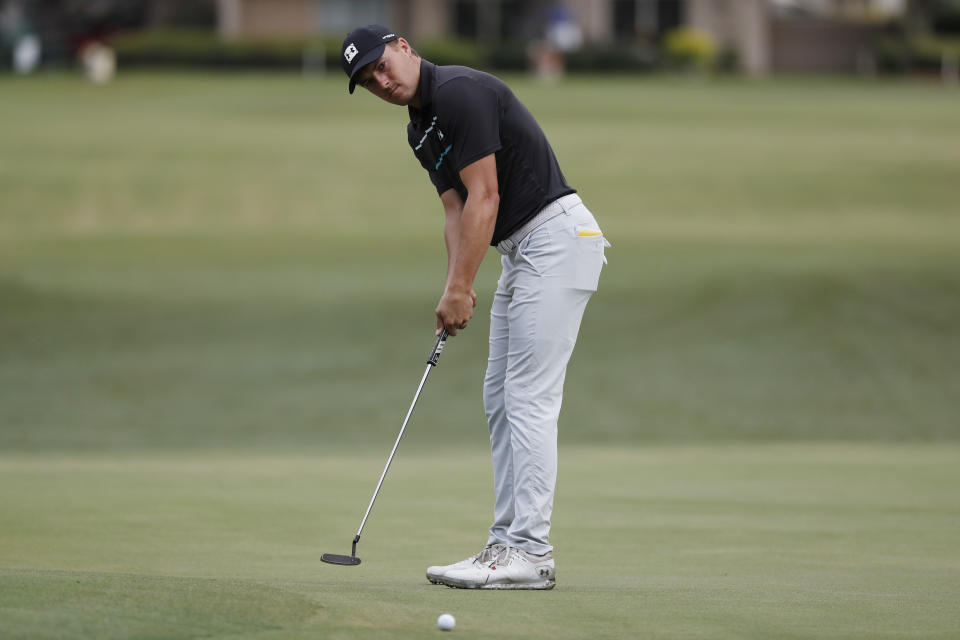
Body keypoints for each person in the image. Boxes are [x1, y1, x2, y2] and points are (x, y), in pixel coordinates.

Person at [341, 25, 609, 590]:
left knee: (528, 398)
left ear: (405, 48)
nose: (381, 82)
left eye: (382, 66)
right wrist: (451, 287)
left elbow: (485, 194)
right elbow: (455, 210)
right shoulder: (419, 130)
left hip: (556, 240)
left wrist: (465, 286)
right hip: (522, 252)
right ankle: (506, 544)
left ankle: (531, 552)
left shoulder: (461, 92)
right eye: (368, 81)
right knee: (500, 397)